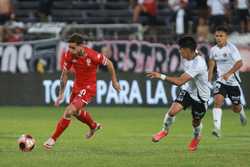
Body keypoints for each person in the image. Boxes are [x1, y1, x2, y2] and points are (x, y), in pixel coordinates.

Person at [43, 33, 121, 149]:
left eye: (73, 47)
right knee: (76, 112)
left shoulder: (93, 55)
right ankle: (93, 126)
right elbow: (64, 74)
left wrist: (114, 82)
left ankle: (52, 139)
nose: (70, 50)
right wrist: (61, 94)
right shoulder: (69, 55)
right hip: (77, 87)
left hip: (89, 88)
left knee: (69, 111)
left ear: (81, 46)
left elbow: (109, 63)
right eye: (69, 47)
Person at [147, 36, 210, 151]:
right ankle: (164, 131)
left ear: (187, 50)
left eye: (181, 49)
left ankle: (197, 137)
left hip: (201, 97)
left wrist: (160, 75)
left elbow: (179, 82)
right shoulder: (191, 53)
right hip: (188, 90)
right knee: (172, 112)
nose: (179, 51)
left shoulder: (198, 64)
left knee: (195, 122)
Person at [208, 26, 247, 138]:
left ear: (226, 37)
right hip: (221, 80)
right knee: (217, 101)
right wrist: (209, 75)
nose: (219, 38)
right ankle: (217, 128)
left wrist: (229, 73)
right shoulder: (213, 49)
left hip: (233, 82)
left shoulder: (232, 48)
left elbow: (239, 63)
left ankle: (241, 111)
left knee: (236, 108)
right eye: (217, 36)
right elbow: (212, 62)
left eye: (221, 36)